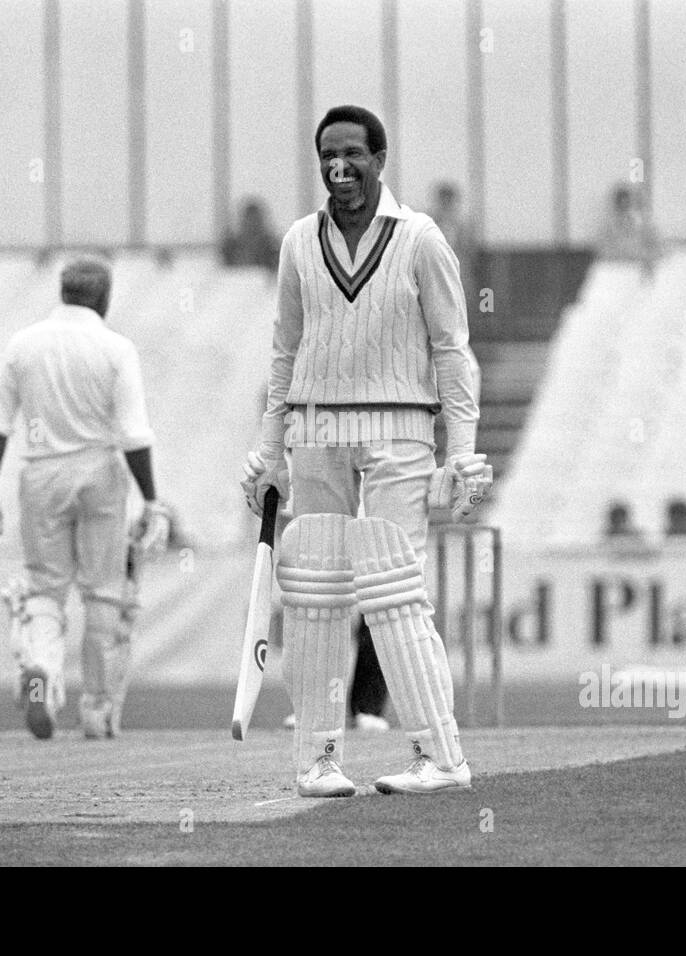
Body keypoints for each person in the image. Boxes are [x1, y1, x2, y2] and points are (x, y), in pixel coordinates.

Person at [241, 104, 492, 797]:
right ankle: (317, 760)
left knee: (395, 592)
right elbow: (285, 350)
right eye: (328, 155)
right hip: (315, 433)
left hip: (400, 430)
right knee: (315, 596)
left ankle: (439, 755)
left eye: (353, 153)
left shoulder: (420, 239)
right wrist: (269, 448)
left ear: (379, 159)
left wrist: (461, 451)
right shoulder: (298, 240)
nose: (339, 167)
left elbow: (451, 348)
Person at [0, 257, 170, 741]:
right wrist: (151, 500)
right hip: (100, 471)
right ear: (103, 297)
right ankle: (97, 710)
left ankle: (42, 667)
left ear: (62, 292)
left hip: (40, 473)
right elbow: (132, 433)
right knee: (102, 591)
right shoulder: (116, 348)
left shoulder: (24, 343)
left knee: (44, 589)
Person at [598, 183, 660, 274]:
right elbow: (603, 251)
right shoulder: (608, 226)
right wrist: (622, 256)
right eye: (621, 204)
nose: (624, 207)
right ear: (616, 205)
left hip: (639, 269)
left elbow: (656, 246)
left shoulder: (642, 223)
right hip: (616, 270)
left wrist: (646, 257)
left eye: (627, 203)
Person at [220, 199, 280, 272]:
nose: (252, 224)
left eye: (255, 220)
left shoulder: (271, 247)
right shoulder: (231, 246)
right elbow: (224, 270)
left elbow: (275, 271)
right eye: (249, 220)